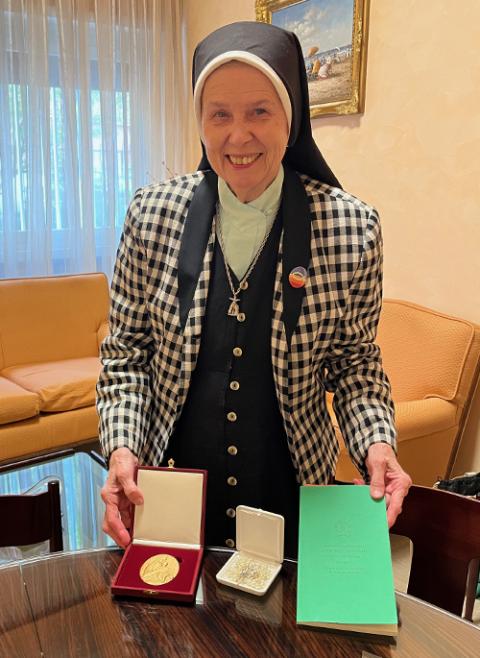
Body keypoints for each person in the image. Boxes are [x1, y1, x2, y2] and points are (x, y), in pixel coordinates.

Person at [97, 21, 411, 558]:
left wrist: (376, 443)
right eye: (219, 113)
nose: (238, 136)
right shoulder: (150, 215)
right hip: (168, 493)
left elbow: (354, 364)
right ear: (200, 121)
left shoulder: (351, 229)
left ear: (291, 118)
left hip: (290, 493)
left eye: (259, 111)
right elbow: (127, 357)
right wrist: (123, 449)